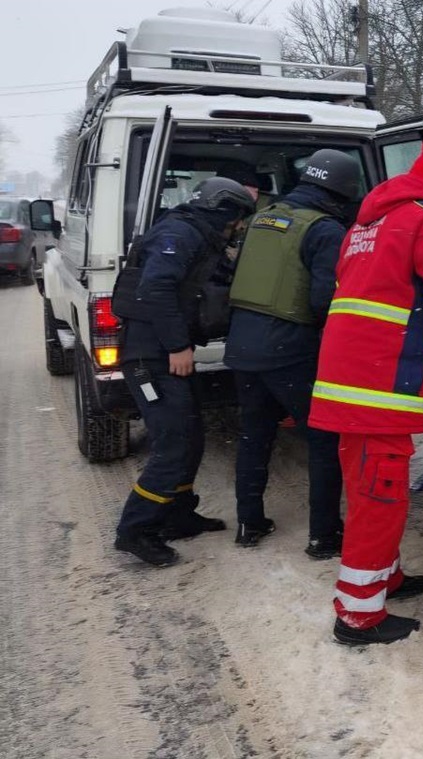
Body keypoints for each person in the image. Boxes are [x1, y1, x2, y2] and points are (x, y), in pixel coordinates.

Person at [308, 136, 423, 645]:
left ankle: (384, 579)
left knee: (368, 489)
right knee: (380, 499)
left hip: (349, 379)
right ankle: (358, 616)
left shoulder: (369, 221)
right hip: (382, 385)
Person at [113, 177, 257, 567]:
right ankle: (135, 530)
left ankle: (178, 514)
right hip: (150, 357)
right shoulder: (179, 233)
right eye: (237, 219)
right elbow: (155, 289)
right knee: (173, 443)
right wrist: (177, 345)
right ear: (221, 210)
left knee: (191, 436)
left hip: (168, 353)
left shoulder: (197, 235)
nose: (238, 227)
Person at [224, 150, 361, 557]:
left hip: (242, 345)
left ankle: (249, 523)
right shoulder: (325, 229)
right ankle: (323, 536)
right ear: (341, 191)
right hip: (290, 349)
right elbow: (324, 300)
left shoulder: (262, 217)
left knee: (254, 434)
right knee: (323, 439)